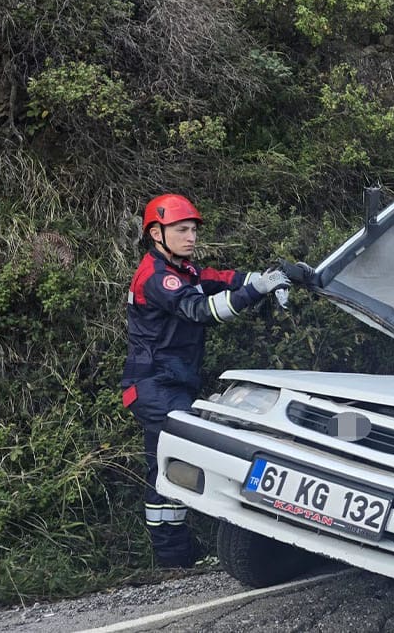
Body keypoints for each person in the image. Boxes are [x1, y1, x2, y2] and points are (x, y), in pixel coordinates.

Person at [122, 194, 290, 568]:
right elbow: (202, 310)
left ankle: (176, 556)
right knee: (179, 460)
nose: (191, 237)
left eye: (194, 230)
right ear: (156, 233)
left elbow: (220, 279)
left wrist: (262, 279)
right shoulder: (158, 277)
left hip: (168, 385)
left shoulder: (185, 270)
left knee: (168, 464)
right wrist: (256, 291)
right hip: (155, 387)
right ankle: (177, 556)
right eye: (182, 230)